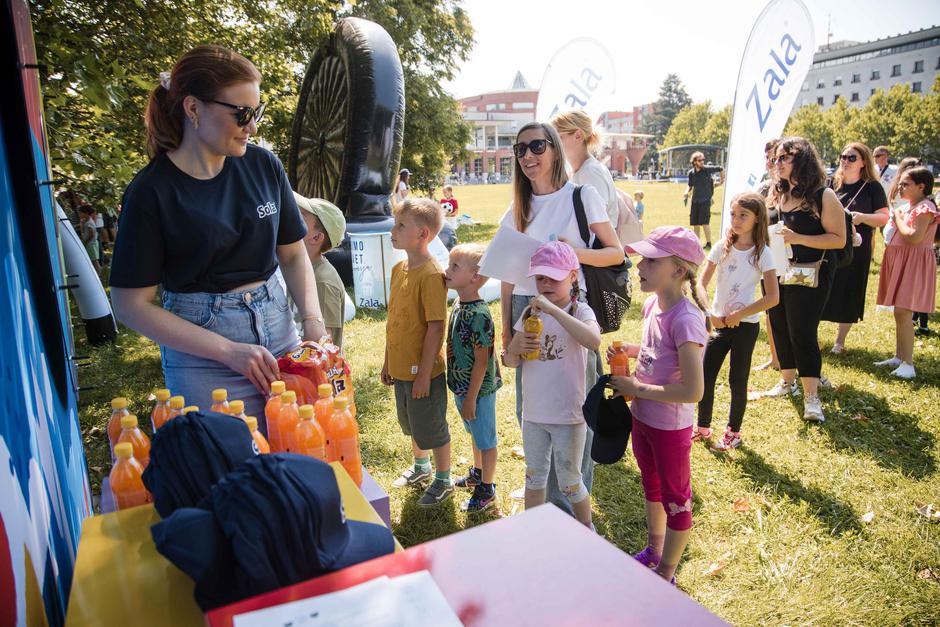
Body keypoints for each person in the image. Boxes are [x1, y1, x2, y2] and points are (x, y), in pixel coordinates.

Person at [109, 45, 326, 423]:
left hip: (281, 332)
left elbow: (292, 254)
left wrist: (312, 321)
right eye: (242, 114)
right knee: (228, 470)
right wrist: (227, 351)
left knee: (301, 454)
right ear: (193, 108)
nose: (253, 127)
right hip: (204, 356)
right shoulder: (151, 192)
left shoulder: (263, 165)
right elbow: (131, 305)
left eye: (256, 112)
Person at [498, 121, 623, 516]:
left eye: (536, 146)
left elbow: (616, 254)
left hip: (570, 310)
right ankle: (542, 497)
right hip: (526, 311)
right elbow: (507, 275)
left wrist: (572, 253)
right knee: (532, 407)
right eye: (520, 150)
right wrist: (506, 328)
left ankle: (568, 501)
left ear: (554, 148)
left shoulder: (581, 196)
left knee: (572, 408)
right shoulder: (516, 208)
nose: (528, 156)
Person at [607, 226, 707, 584]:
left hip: (670, 427)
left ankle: (666, 571)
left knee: (676, 500)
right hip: (643, 418)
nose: (639, 266)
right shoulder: (652, 304)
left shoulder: (686, 319)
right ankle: (654, 548)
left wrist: (637, 387)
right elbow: (654, 351)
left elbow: (693, 390)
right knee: (651, 486)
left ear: (679, 271)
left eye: (651, 260)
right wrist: (630, 351)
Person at [504, 241, 600, 529]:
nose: (545, 284)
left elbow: (593, 341)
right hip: (534, 414)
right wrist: (515, 347)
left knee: (571, 481)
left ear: (573, 276)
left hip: (568, 416)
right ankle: (534, 530)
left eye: (553, 277)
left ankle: (586, 528)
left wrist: (554, 311)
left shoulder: (579, 310)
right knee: (534, 476)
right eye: (540, 278)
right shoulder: (530, 315)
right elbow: (511, 362)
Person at [760, 137, 846, 423]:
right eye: (777, 158)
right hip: (776, 271)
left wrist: (799, 238)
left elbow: (838, 239)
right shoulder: (775, 193)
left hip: (811, 272)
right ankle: (787, 381)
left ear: (803, 160)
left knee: (802, 331)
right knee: (779, 323)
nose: (779, 162)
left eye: (786, 157)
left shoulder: (823, 195)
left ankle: (812, 396)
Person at [381, 197, 452, 506]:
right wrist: (388, 360)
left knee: (431, 426)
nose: (392, 231)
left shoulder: (432, 275)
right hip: (401, 366)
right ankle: (421, 468)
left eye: (400, 226)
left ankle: (443, 478)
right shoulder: (399, 269)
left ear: (423, 234)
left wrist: (424, 374)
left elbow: (436, 328)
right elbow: (394, 319)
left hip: (423, 371)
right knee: (411, 422)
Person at [694, 193, 778, 451]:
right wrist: (709, 312)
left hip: (745, 327)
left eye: (744, 215)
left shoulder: (763, 253)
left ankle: (733, 432)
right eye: (733, 214)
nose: (736, 220)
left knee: (737, 380)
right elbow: (700, 284)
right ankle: (702, 427)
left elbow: (773, 297)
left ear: (757, 218)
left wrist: (739, 315)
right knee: (705, 377)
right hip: (718, 325)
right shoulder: (722, 246)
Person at [445, 244, 502, 513]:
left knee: (486, 440)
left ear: (475, 277)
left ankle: (487, 489)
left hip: (478, 391)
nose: (447, 270)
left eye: (455, 267)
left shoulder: (479, 314)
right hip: (463, 387)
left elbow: (482, 362)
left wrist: (470, 398)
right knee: (475, 434)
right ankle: (478, 473)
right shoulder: (459, 302)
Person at [821, 143, 889, 354]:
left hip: (858, 249)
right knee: (823, 288)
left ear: (863, 162)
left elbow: (884, 217)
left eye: (852, 157)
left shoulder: (872, 187)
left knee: (849, 291)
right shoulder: (831, 184)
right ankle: (811, 334)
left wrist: (861, 217)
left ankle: (839, 342)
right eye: (843, 156)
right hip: (831, 245)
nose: (845, 160)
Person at [874, 167, 939, 379]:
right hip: (903, 261)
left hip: (914, 263)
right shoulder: (911, 206)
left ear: (921, 187)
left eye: (905, 184)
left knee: (903, 311)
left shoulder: (925, 208)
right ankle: (899, 356)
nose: (900, 187)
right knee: (898, 311)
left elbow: (914, 236)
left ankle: (908, 364)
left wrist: (899, 217)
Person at [293, 193, 347, 348]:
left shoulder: (322, 281)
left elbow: (322, 344)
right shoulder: (299, 269)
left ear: (316, 238)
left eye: (300, 217)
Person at [551, 110, 618, 226]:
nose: (552, 143)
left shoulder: (591, 172)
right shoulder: (576, 171)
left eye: (558, 137)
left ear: (578, 136)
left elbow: (600, 226)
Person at [755, 139, 781, 372]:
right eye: (769, 158)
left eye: (777, 158)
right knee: (770, 310)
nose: (772, 163)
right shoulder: (763, 188)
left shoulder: (799, 188)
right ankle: (775, 357)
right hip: (770, 257)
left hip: (795, 259)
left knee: (794, 314)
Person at [683, 152, 724, 249]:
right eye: (700, 160)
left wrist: (722, 181)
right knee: (695, 224)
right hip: (695, 201)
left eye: (703, 160)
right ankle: (697, 243)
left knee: (705, 223)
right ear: (694, 162)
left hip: (705, 200)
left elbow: (720, 168)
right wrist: (685, 192)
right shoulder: (691, 173)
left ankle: (709, 243)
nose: (702, 162)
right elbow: (690, 185)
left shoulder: (707, 170)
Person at [78, 205, 101, 274]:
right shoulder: (87, 221)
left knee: (94, 261)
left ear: (86, 213)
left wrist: (85, 242)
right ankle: (96, 273)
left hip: (91, 244)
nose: (79, 215)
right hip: (90, 243)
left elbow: (91, 234)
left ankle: (98, 274)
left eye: (80, 213)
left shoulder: (89, 223)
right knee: (92, 260)